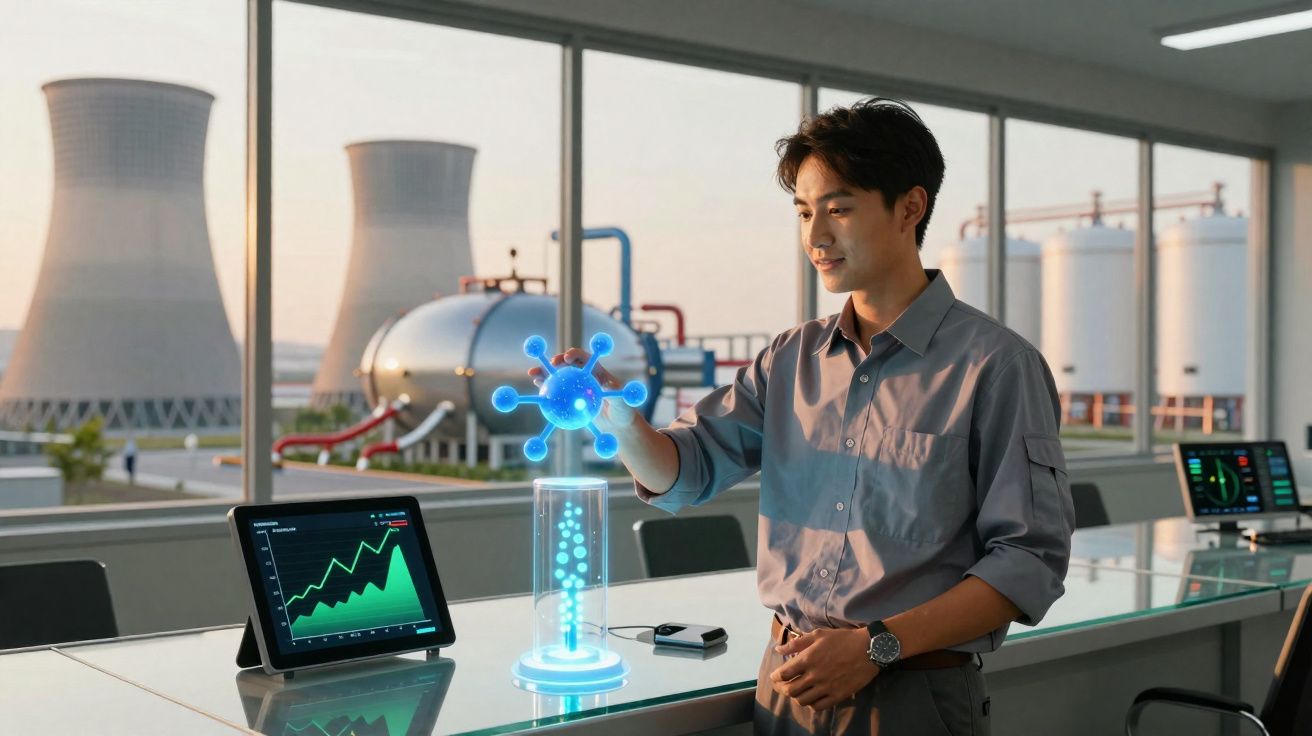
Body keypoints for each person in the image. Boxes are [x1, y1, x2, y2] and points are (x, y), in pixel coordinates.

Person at [534, 98, 1075, 735]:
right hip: (787, 683)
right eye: (803, 211)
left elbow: (1028, 561)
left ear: (910, 207)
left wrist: (878, 645)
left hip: (910, 694)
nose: (815, 236)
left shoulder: (996, 366)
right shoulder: (790, 359)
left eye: (839, 209)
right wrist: (621, 420)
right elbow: (688, 472)